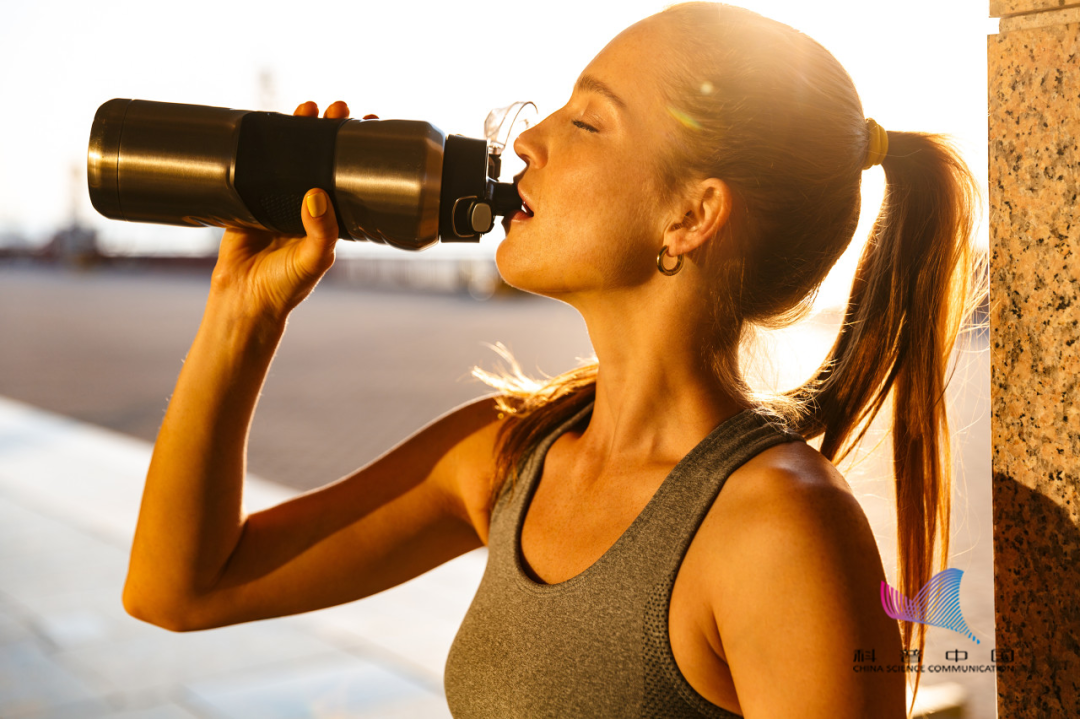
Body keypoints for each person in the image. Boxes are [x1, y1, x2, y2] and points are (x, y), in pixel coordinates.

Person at [122, 3, 985, 717]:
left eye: (586, 119)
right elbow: (181, 588)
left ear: (691, 215)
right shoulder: (509, 455)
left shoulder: (781, 532)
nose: (529, 140)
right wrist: (243, 315)